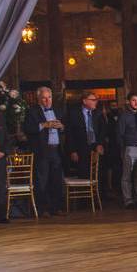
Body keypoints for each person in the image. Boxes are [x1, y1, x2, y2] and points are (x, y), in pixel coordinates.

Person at [23, 86, 66, 216]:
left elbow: (64, 128)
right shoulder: (32, 111)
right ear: (39, 99)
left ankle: (56, 207)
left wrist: (62, 127)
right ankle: (43, 209)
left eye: (49, 97)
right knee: (42, 180)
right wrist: (44, 125)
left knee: (56, 179)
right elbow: (28, 129)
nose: (47, 101)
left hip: (56, 150)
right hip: (42, 150)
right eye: (44, 98)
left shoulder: (57, 110)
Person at [117, 93, 137, 209]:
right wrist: (122, 150)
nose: (136, 103)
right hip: (130, 148)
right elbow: (120, 134)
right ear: (128, 102)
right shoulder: (124, 116)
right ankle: (128, 200)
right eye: (134, 100)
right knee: (127, 176)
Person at [65, 91, 105, 179]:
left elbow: (102, 131)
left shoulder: (98, 113)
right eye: (93, 100)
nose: (96, 102)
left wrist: (100, 144)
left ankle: (98, 192)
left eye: (96, 100)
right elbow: (69, 133)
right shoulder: (73, 113)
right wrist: (72, 150)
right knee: (84, 174)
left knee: (98, 175)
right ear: (84, 101)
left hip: (95, 147)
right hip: (81, 148)